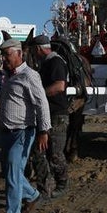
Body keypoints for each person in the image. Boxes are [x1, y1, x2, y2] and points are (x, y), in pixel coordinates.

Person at [0, 38, 50, 213]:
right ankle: (33, 195)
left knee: (12, 174)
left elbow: (42, 104)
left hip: (23, 132)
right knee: (13, 173)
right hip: (7, 132)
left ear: (19, 54)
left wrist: (44, 131)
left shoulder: (30, 75)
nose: (4, 59)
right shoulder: (10, 75)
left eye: (7, 55)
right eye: (3, 55)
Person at [26, 34, 69, 199]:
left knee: (55, 154)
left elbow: (59, 86)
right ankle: (43, 188)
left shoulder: (55, 62)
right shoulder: (44, 64)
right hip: (45, 115)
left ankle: (62, 183)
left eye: (32, 51)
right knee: (38, 152)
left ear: (37, 49)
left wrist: (39, 95)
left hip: (57, 115)